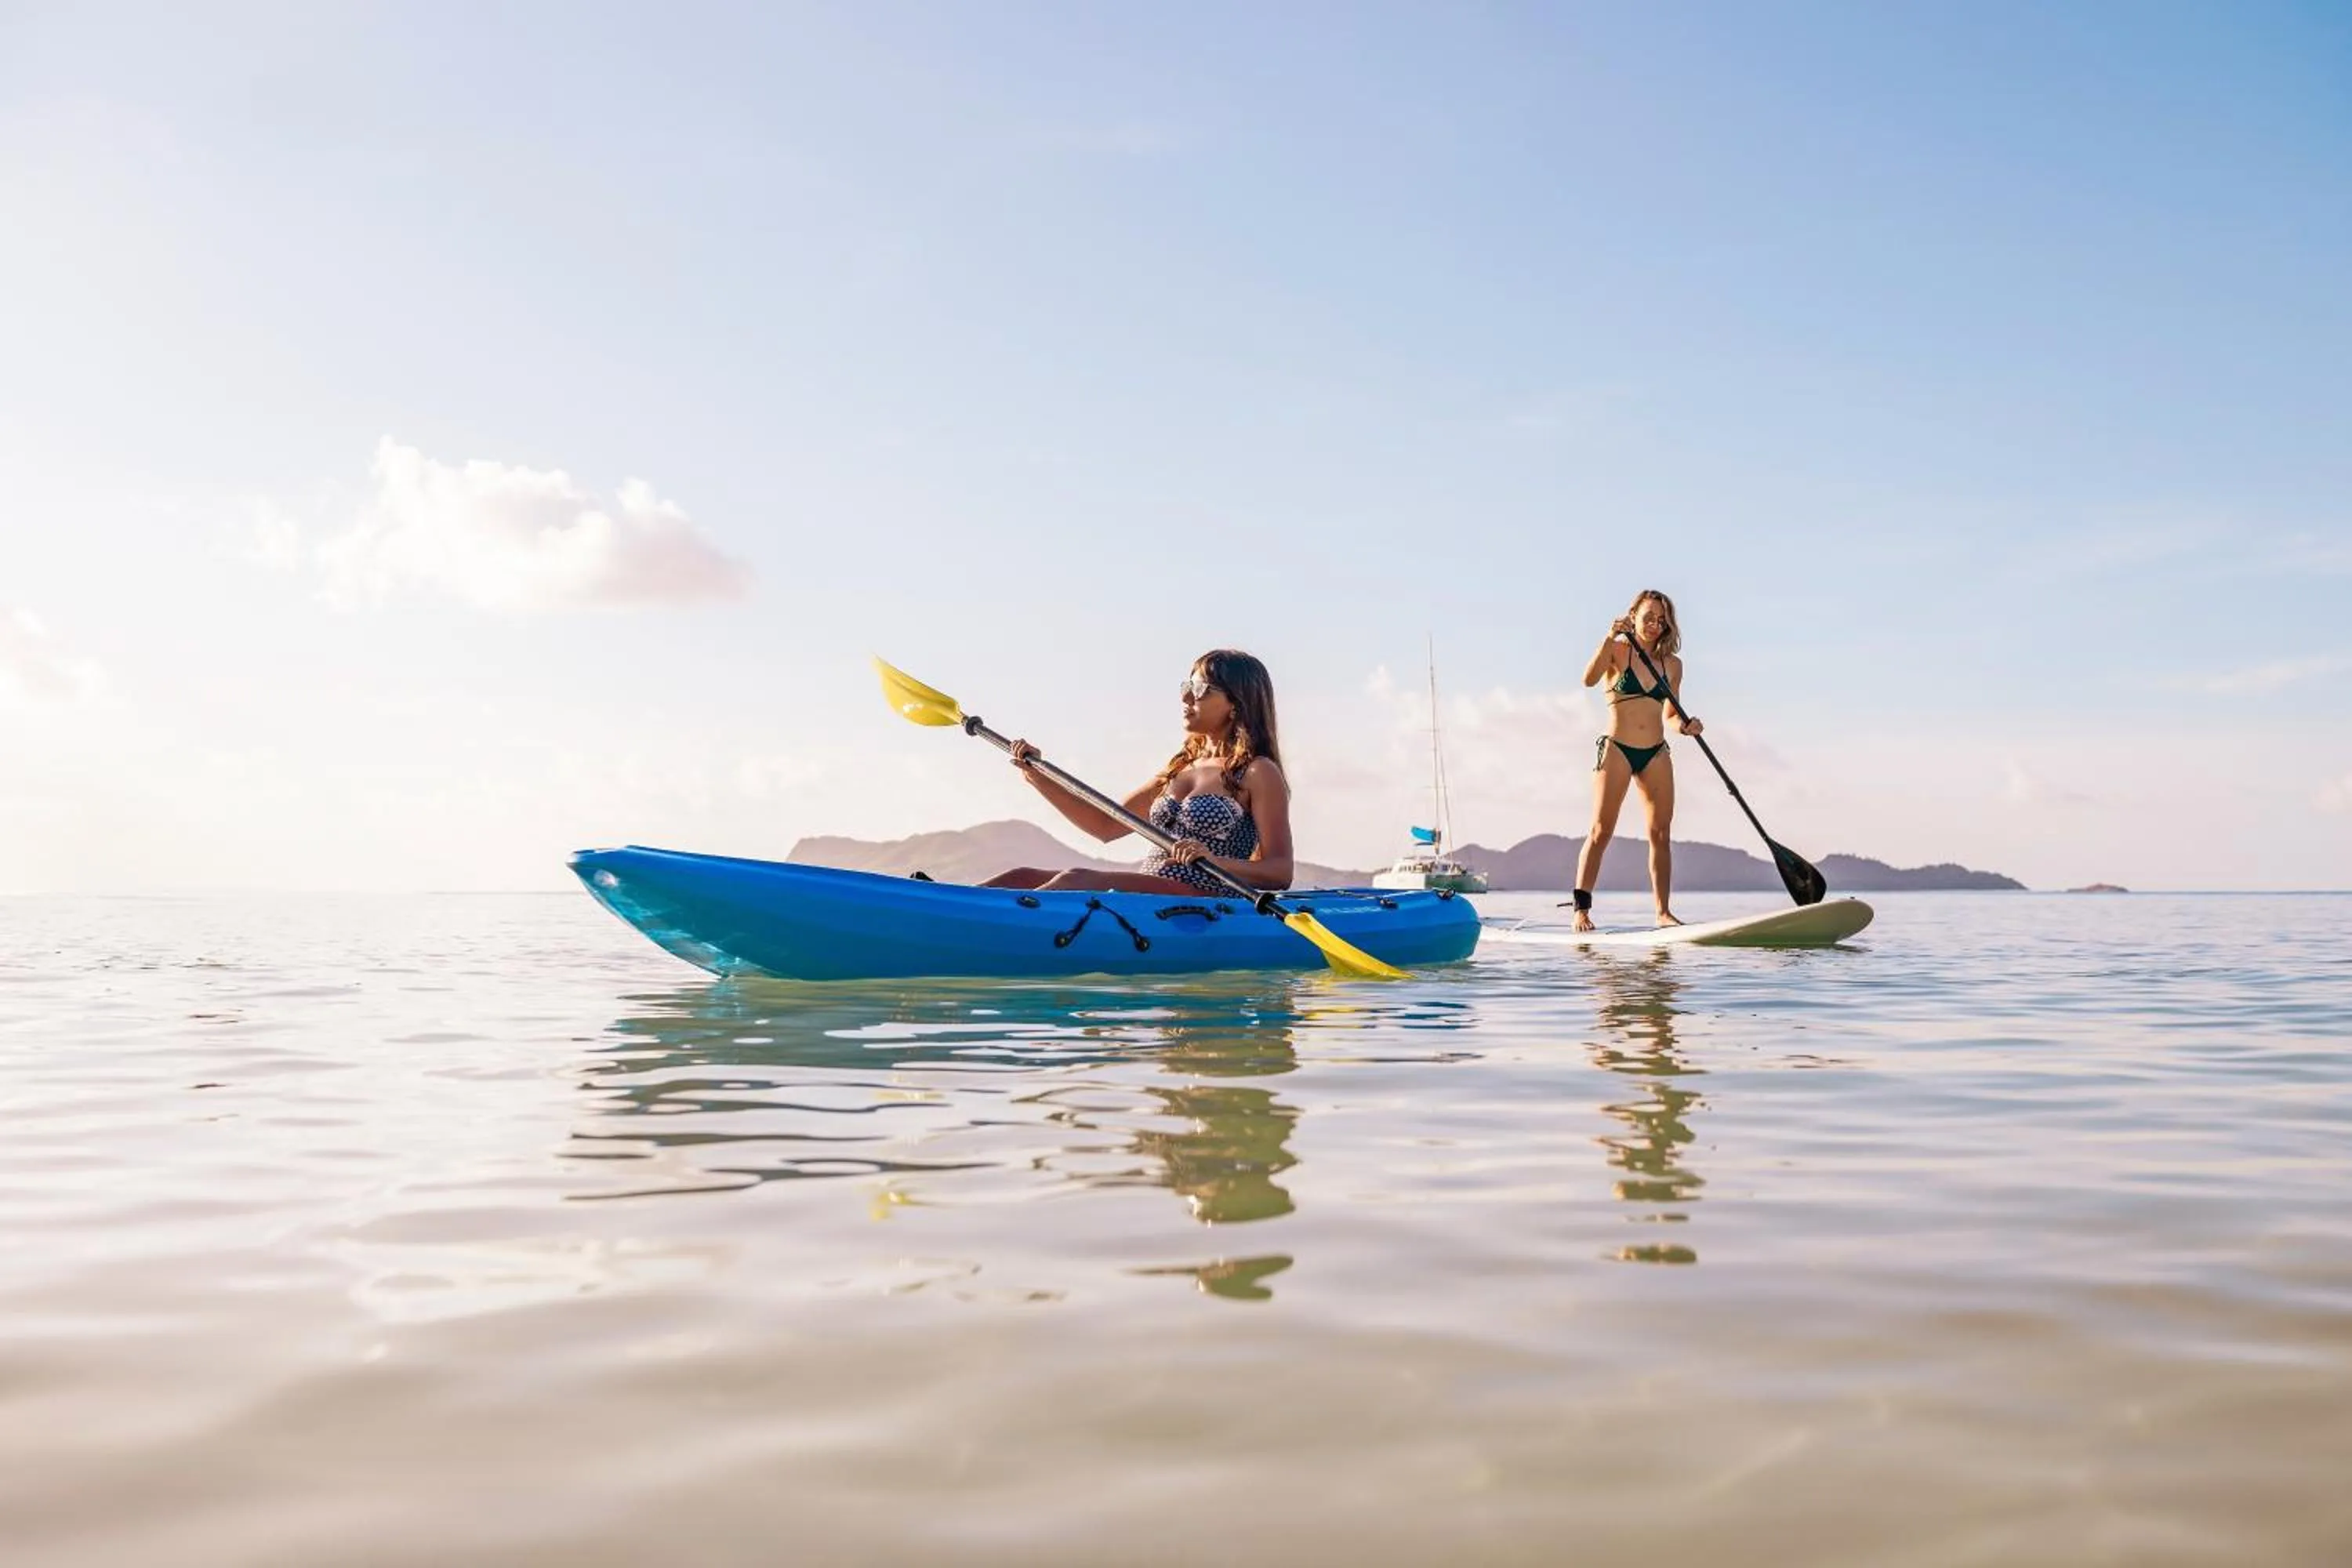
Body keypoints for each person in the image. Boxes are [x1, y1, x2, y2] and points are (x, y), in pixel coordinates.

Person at [981, 649, 1296, 895]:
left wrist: (1213, 862)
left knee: (1077, 879)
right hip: (1151, 890)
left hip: (1205, 897)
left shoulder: (1257, 772)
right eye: (1187, 686)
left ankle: (990, 929)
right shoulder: (1180, 768)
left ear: (1235, 704)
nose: (1186, 697)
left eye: (1201, 689)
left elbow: (1280, 872)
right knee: (1020, 877)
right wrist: (1037, 776)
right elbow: (1104, 826)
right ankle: (937, 903)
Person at [1570, 590, 1704, 931]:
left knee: (1660, 832)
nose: (1655, 625)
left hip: (1655, 752)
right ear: (1633, 615)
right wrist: (1608, 638)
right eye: (1649, 617)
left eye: (1662, 620)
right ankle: (1581, 910)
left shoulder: (1672, 665)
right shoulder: (1617, 651)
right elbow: (1588, 680)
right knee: (1601, 831)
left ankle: (1663, 912)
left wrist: (1686, 727)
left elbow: (1671, 715)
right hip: (1618, 748)